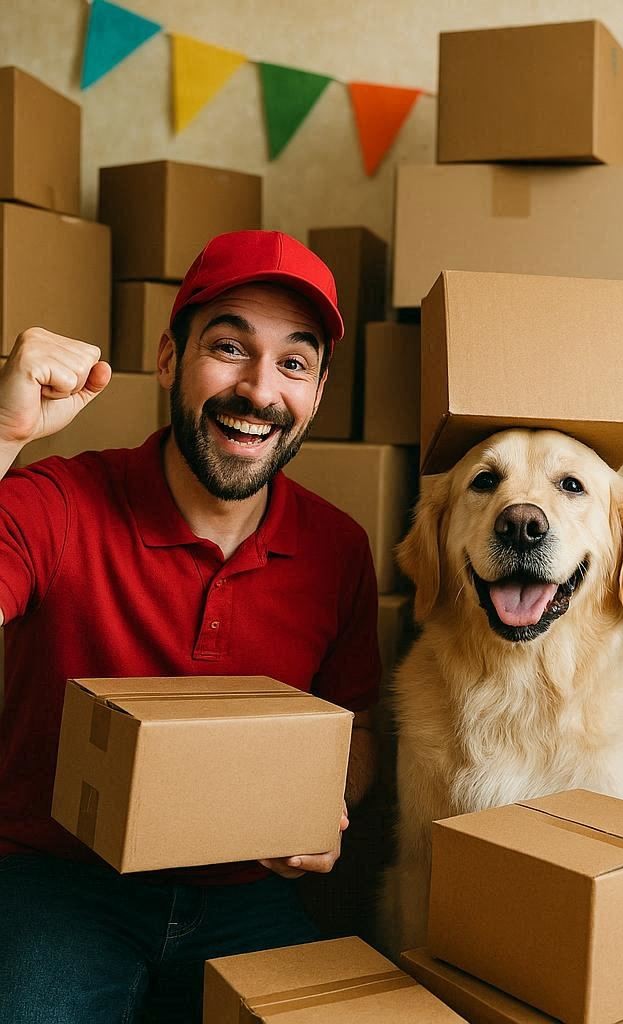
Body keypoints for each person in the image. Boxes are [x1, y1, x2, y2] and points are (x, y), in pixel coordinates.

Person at [0, 230, 381, 1023]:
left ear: (315, 392)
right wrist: (3, 437)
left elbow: (357, 729)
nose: (259, 390)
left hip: (245, 896)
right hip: (57, 881)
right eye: (230, 347)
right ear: (170, 359)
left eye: (293, 363)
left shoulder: (338, 548)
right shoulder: (59, 503)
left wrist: (324, 810)